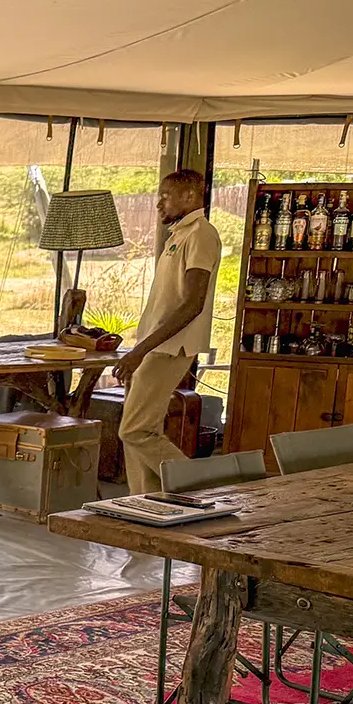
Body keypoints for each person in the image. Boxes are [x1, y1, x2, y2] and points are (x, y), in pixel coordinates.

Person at [115, 169, 220, 495]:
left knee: (134, 430)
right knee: (143, 429)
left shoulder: (201, 233)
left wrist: (139, 352)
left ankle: (196, 485)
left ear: (190, 196)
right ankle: (145, 502)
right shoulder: (180, 234)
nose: (159, 204)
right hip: (154, 345)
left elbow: (192, 304)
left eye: (166, 196)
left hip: (169, 347)